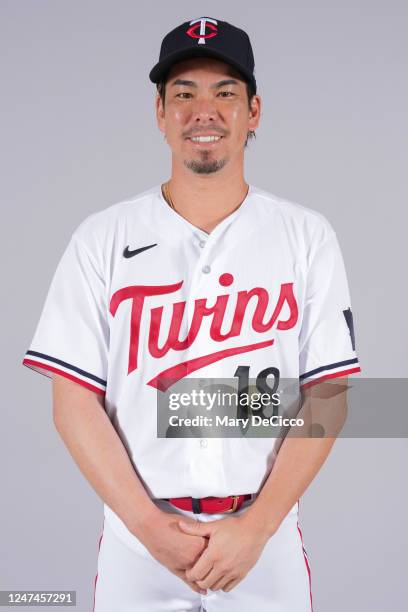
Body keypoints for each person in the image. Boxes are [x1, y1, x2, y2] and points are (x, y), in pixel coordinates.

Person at [22, 16, 361, 612]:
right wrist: (152, 532)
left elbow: (330, 392)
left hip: (264, 537)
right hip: (139, 543)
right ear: (159, 113)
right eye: (183, 93)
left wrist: (256, 530)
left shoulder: (306, 236)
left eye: (225, 92)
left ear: (254, 111)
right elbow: (72, 401)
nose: (204, 110)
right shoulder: (102, 238)